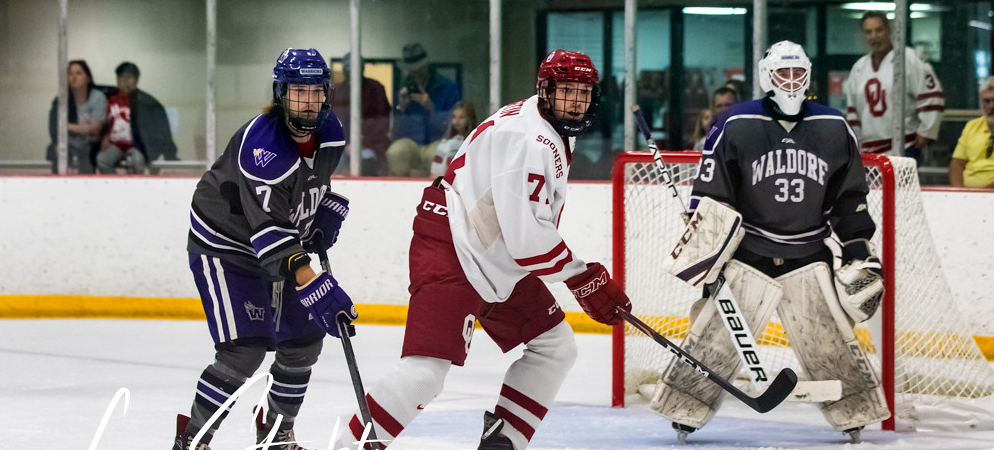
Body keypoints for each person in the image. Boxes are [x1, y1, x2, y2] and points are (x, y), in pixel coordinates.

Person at [332, 50, 632, 450]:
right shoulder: (529, 140)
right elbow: (528, 242)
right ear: (546, 91)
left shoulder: (543, 123)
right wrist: (582, 278)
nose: (576, 101)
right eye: (566, 91)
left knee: (555, 346)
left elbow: (520, 234)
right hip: (454, 248)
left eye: (583, 92)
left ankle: (503, 443)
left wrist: (579, 277)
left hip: (492, 252)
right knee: (424, 374)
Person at [654, 41, 889, 444]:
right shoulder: (736, 122)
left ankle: (854, 413)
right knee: (715, 339)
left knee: (830, 341)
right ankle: (684, 409)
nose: (791, 81)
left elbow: (849, 198)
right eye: (783, 73)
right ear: (767, 77)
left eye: (798, 73)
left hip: (809, 253)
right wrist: (708, 247)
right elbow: (713, 194)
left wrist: (858, 249)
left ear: (809, 76)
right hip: (749, 252)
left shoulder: (834, 126)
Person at [172, 48, 356, 450]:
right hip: (226, 244)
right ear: (280, 93)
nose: (308, 101)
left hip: (276, 240)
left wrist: (317, 213)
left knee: (304, 341)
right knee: (245, 350)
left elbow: (308, 185)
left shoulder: (332, 133)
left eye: (316, 91)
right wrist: (314, 282)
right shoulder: (263, 148)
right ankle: (193, 439)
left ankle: (275, 432)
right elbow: (268, 230)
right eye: (298, 91)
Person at [844, 11, 945, 163]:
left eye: (879, 30)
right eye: (869, 32)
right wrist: (856, 144)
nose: (874, 36)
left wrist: (926, 132)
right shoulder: (858, 68)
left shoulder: (909, 59)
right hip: (869, 152)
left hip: (905, 146)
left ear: (889, 29)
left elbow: (932, 95)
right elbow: (854, 113)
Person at [97, 62, 178, 174]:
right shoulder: (108, 98)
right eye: (122, 77)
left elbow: (162, 130)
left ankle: (136, 184)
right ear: (117, 79)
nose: (125, 81)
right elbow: (102, 121)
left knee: (137, 160)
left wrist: (170, 155)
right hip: (115, 145)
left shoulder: (146, 102)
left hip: (137, 146)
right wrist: (104, 136)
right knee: (102, 160)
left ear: (136, 80)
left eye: (129, 77)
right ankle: (114, 183)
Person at [332, 52, 392, 176]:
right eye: (348, 70)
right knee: (331, 161)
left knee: (367, 160)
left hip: (371, 146)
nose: (352, 74)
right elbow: (331, 123)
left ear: (362, 69)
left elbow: (382, 123)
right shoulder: (335, 92)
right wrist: (345, 143)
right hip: (341, 146)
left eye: (355, 69)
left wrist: (362, 143)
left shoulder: (376, 89)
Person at [392, 43, 462, 146]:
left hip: (439, 140)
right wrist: (401, 108)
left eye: (420, 69)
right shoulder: (401, 92)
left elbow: (455, 125)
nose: (417, 74)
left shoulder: (448, 88)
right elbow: (395, 132)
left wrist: (432, 109)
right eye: (413, 71)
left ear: (427, 65)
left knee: (435, 152)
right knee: (396, 152)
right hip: (410, 142)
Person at [385, 101, 477, 177]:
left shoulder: (473, 140)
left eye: (461, 117)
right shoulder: (448, 139)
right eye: (454, 117)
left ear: (469, 119)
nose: (456, 121)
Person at [46, 60, 107, 173]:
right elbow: (54, 128)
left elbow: (95, 128)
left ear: (87, 78)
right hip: (68, 144)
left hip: (90, 145)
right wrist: (83, 128)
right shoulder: (60, 101)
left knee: (86, 159)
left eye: (78, 73)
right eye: (70, 74)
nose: (74, 77)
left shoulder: (98, 97)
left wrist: (66, 126)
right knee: (58, 151)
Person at [949, 77, 994, 188]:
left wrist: (983, 193)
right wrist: (958, 192)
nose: (991, 106)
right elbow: (957, 164)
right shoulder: (972, 126)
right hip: (968, 194)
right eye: (987, 101)